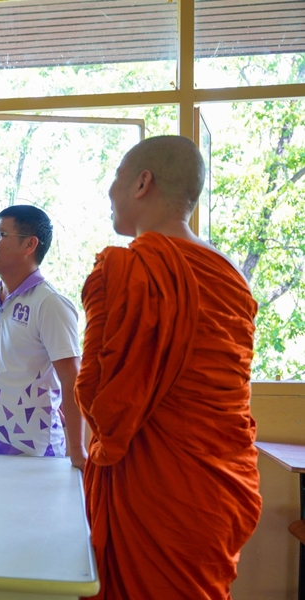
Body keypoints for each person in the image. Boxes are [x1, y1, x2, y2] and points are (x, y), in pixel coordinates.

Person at [76, 135, 261, 599]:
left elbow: (97, 398)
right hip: (216, 484)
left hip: (151, 488)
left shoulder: (122, 271)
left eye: (116, 179)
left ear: (143, 183)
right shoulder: (231, 274)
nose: (109, 191)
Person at [0, 205, 86, 469]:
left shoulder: (50, 303)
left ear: (30, 245)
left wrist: (78, 451)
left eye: (0, 235)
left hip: (33, 454)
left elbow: (72, 378)